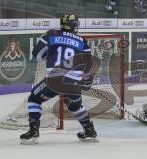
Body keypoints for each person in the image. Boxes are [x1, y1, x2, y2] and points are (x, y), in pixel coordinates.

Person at [20, 14, 97, 144]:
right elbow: (87, 65)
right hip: (74, 81)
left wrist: (49, 56)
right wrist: (85, 79)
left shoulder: (51, 34)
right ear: (74, 26)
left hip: (55, 79)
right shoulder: (82, 41)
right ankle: (89, 131)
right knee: (74, 106)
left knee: (34, 98)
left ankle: (33, 132)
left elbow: (37, 55)